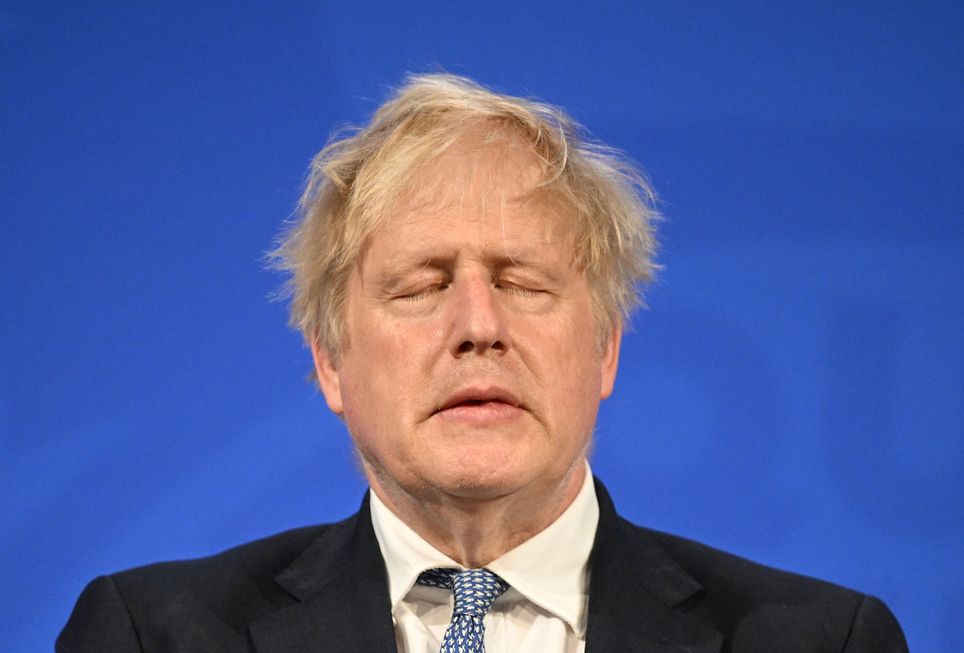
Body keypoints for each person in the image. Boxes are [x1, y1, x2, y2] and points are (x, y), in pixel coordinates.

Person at [57, 73, 908, 652]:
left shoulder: (818, 639)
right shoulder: (154, 635)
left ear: (606, 347)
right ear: (329, 361)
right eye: (422, 286)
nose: (478, 327)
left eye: (522, 282)